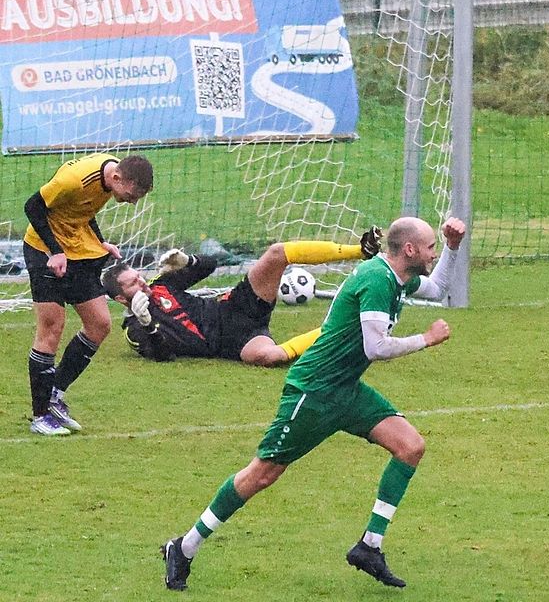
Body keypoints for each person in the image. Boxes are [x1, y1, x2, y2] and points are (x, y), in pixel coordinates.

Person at [161, 216, 466, 591]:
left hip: (346, 389)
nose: (433, 252)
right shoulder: (376, 280)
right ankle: (184, 547)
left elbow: (437, 289)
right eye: (432, 246)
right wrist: (426, 338)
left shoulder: (397, 277)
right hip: (314, 391)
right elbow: (377, 347)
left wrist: (453, 246)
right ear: (410, 250)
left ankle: (369, 546)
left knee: (410, 446)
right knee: (264, 473)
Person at [100, 226, 382, 366]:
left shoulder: (161, 284)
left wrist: (187, 261)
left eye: (137, 276)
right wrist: (148, 322)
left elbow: (210, 266)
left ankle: (360, 251)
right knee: (269, 357)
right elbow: (162, 355)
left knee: (276, 253)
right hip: (230, 343)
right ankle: (348, 328)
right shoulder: (135, 330)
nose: (141, 282)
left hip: (234, 307)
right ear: (121, 299)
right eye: (132, 284)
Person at [24, 153, 154, 436]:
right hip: (44, 250)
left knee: (99, 323)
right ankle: (40, 415)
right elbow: (33, 207)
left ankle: (54, 392)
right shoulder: (74, 179)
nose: (132, 202)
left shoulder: (110, 177)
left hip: (77, 247)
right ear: (118, 178)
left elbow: (84, 208)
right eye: (132, 195)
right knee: (51, 327)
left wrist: (100, 241)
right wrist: (56, 252)